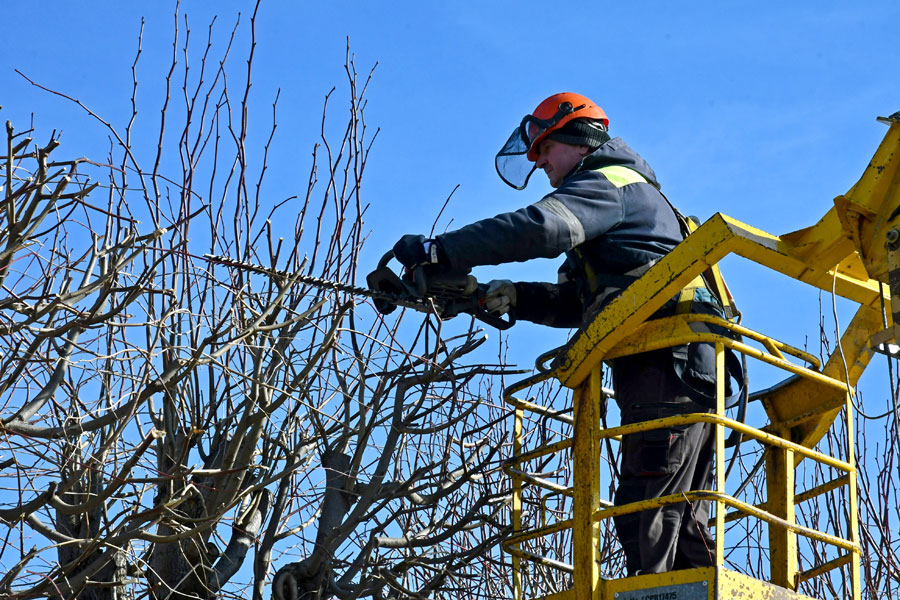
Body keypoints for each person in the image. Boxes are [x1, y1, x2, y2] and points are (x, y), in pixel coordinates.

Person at [391, 92, 726, 575]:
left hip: (667, 362)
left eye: (545, 148)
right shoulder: (613, 211)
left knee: (647, 508)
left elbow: (540, 228)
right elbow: (577, 302)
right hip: (673, 365)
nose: (539, 161)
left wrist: (440, 250)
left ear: (578, 140)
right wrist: (505, 296)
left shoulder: (610, 184)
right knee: (676, 512)